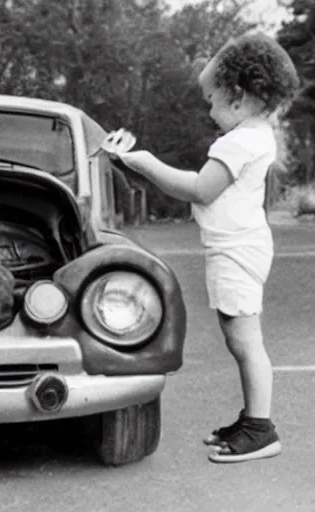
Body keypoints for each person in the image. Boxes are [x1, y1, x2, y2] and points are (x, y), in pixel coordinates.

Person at [101, 32, 299, 463]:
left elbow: (199, 189)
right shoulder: (256, 134)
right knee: (240, 338)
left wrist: (144, 162)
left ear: (239, 97)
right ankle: (252, 419)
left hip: (235, 250)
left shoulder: (239, 141)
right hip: (240, 246)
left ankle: (261, 430)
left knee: (245, 340)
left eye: (211, 100)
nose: (209, 111)